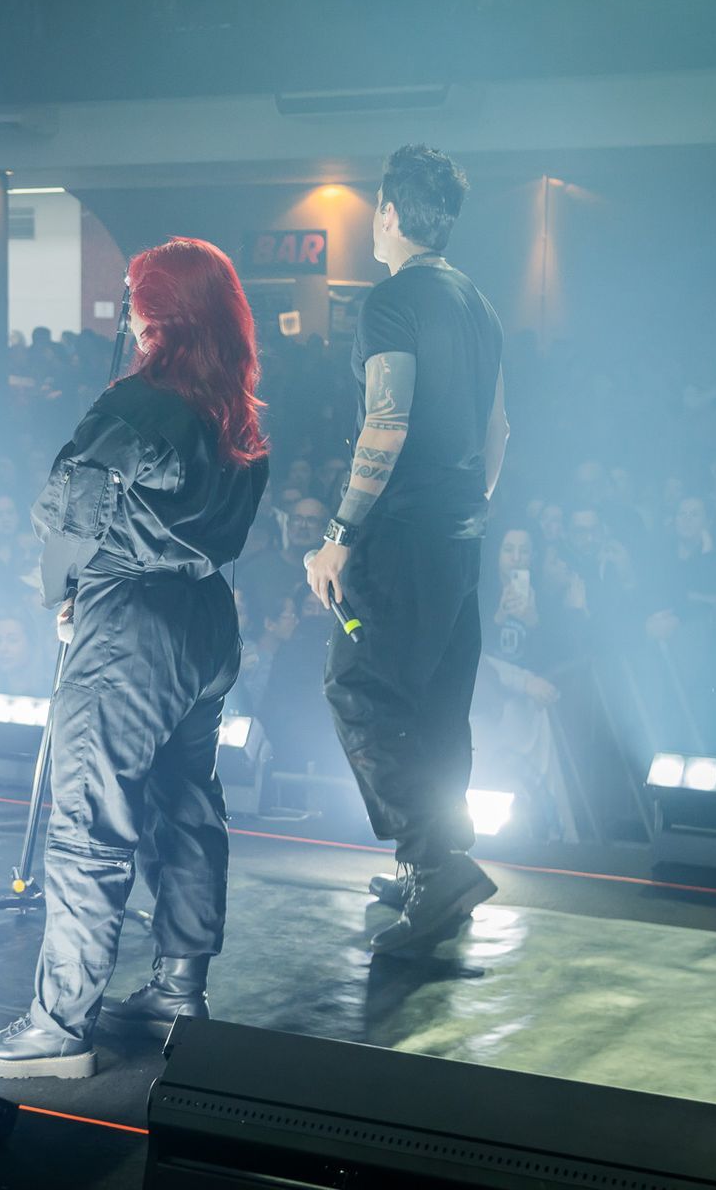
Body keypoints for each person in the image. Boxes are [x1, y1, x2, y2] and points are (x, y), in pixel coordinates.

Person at [0, 237, 268, 1080]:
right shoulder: (235, 410)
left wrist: (61, 587)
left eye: (136, 297)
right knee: (188, 803)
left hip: (129, 623)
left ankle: (60, 1024)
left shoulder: (135, 403)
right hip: (206, 623)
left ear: (157, 312)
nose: (127, 312)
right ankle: (179, 987)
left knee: (90, 820)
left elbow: (64, 510)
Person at [304, 144, 509, 955]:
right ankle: (437, 862)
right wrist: (469, 509)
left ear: (388, 214)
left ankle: (434, 861)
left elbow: (385, 423)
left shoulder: (390, 303)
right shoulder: (480, 306)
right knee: (435, 706)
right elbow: (499, 428)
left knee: (357, 689)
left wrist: (338, 536)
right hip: (460, 541)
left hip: (402, 541)